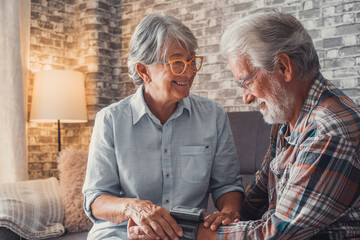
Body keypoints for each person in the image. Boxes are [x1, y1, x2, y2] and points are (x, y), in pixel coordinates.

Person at [197, 9, 360, 240]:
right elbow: (255, 198)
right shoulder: (288, 121)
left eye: (247, 81)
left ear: (283, 67)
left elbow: (275, 234)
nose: (246, 97)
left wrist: (190, 233)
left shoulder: (328, 131)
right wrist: (227, 214)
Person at [82, 14, 244, 240]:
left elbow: (227, 184)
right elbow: (96, 199)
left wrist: (228, 212)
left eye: (191, 61)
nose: (188, 72)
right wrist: (133, 208)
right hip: (122, 233)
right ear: (144, 71)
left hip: (184, 233)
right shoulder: (110, 120)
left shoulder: (213, 115)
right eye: (177, 62)